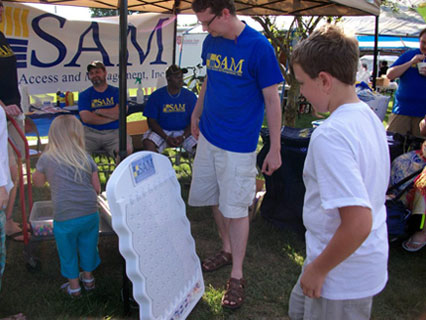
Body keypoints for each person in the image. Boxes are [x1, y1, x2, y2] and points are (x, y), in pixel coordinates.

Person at [288, 25, 389, 320]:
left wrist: (319, 269)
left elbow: (358, 222)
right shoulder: (369, 117)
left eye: (302, 83)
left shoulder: (331, 135)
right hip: (346, 261)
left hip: (338, 275)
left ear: (324, 80)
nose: (302, 92)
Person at [188, 0, 283, 309]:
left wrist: (276, 147)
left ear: (226, 13)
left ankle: (238, 275)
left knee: (237, 207)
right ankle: (226, 248)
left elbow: (272, 99)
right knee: (215, 197)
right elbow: (209, 80)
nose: (204, 28)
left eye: (207, 21)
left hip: (239, 144)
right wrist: (196, 112)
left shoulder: (259, 47)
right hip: (209, 137)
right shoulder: (211, 41)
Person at [33, 115, 101, 297]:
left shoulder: (47, 158)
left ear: (53, 136)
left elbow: (37, 183)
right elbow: (97, 188)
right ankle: (89, 279)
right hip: (90, 213)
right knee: (89, 246)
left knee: (67, 251)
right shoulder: (86, 157)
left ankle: (75, 288)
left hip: (64, 216)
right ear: (78, 135)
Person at [0, 0, 29, 242]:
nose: (1, 9)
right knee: (6, 171)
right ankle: (5, 222)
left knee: (16, 170)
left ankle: (8, 221)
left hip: (13, 113)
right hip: (1, 115)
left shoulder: (1, 36)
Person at [78, 61, 133, 158]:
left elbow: (122, 112)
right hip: (90, 133)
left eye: (97, 72)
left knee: (126, 149)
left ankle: (117, 173)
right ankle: (90, 173)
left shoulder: (117, 92)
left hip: (114, 132)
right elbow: (87, 118)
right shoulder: (84, 95)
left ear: (105, 73)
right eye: (91, 73)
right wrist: (114, 117)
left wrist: (99, 111)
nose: (95, 75)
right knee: (77, 152)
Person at [142, 65, 197, 155]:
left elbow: (194, 120)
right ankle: (157, 167)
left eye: (181, 77)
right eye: (177, 77)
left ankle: (197, 168)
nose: (180, 80)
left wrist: (183, 137)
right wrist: (166, 137)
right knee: (148, 143)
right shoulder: (157, 96)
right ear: (168, 79)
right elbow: (151, 121)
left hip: (184, 131)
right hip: (163, 131)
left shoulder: (190, 96)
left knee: (200, 146)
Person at [386, 28, 426, 137]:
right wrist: (410, 63)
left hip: (424, 114)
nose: (425, 46)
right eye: (423, 42)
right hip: (402, 110)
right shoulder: (410, 55)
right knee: (394, 145)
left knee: (421, 150)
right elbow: (390, 75)